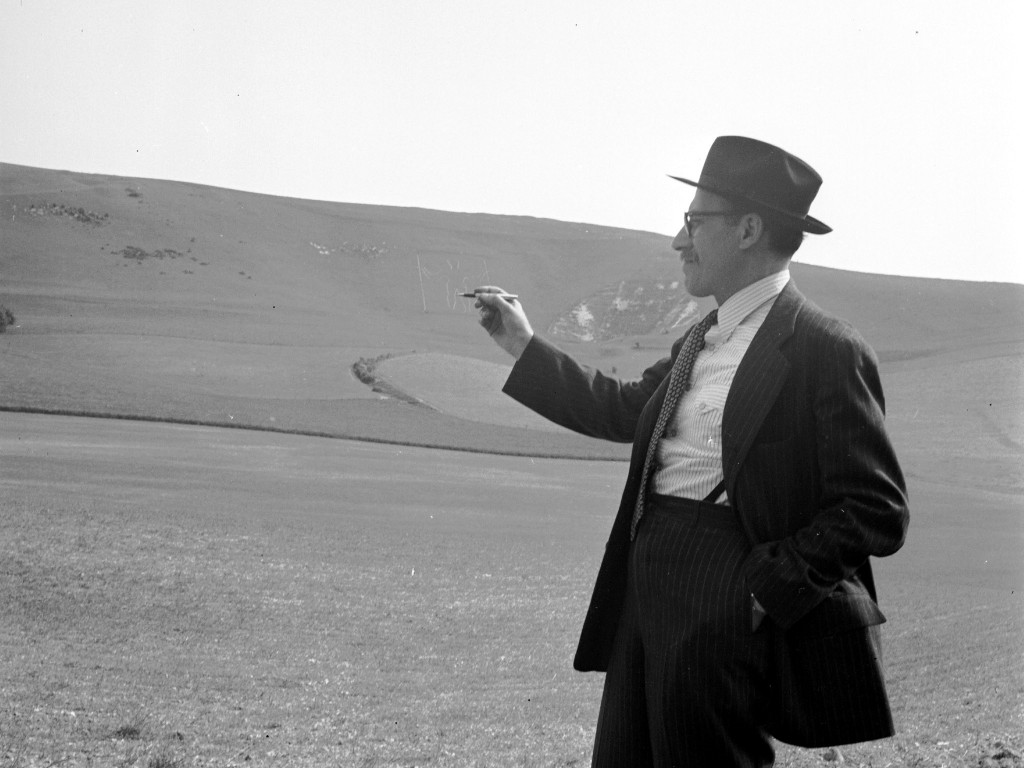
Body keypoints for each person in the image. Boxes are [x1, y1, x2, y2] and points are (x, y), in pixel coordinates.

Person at [472, 136, 910, 768]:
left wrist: (760, 593)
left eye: (695, 220)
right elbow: (621, 409)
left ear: (749, 229)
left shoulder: (824, 347)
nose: (679, 240)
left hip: (724, 592)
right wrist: (522, 345)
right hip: (646, 584)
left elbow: (875, 507)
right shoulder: (701, 338)